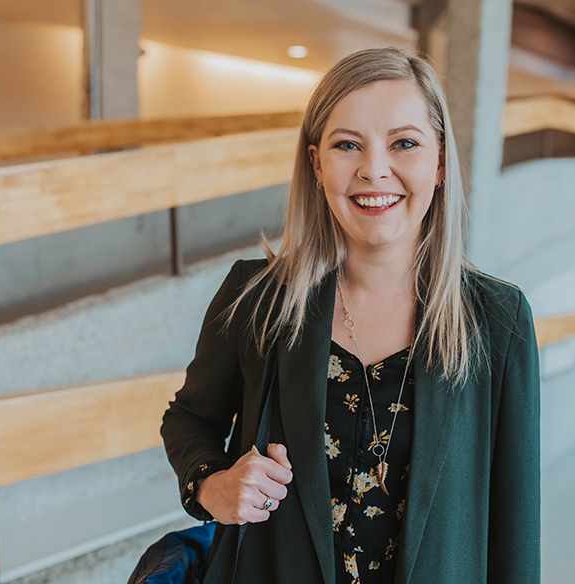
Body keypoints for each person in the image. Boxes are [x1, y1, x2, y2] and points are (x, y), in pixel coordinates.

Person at [160, 46, 540, 584]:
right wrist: (210, 484)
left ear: (438, 163)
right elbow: (189, 419)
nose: (374, 169)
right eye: (347, 145)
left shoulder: (497, 322)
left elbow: (515, 533)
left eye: (404, 143)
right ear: (317, 164)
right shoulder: (258, 299)